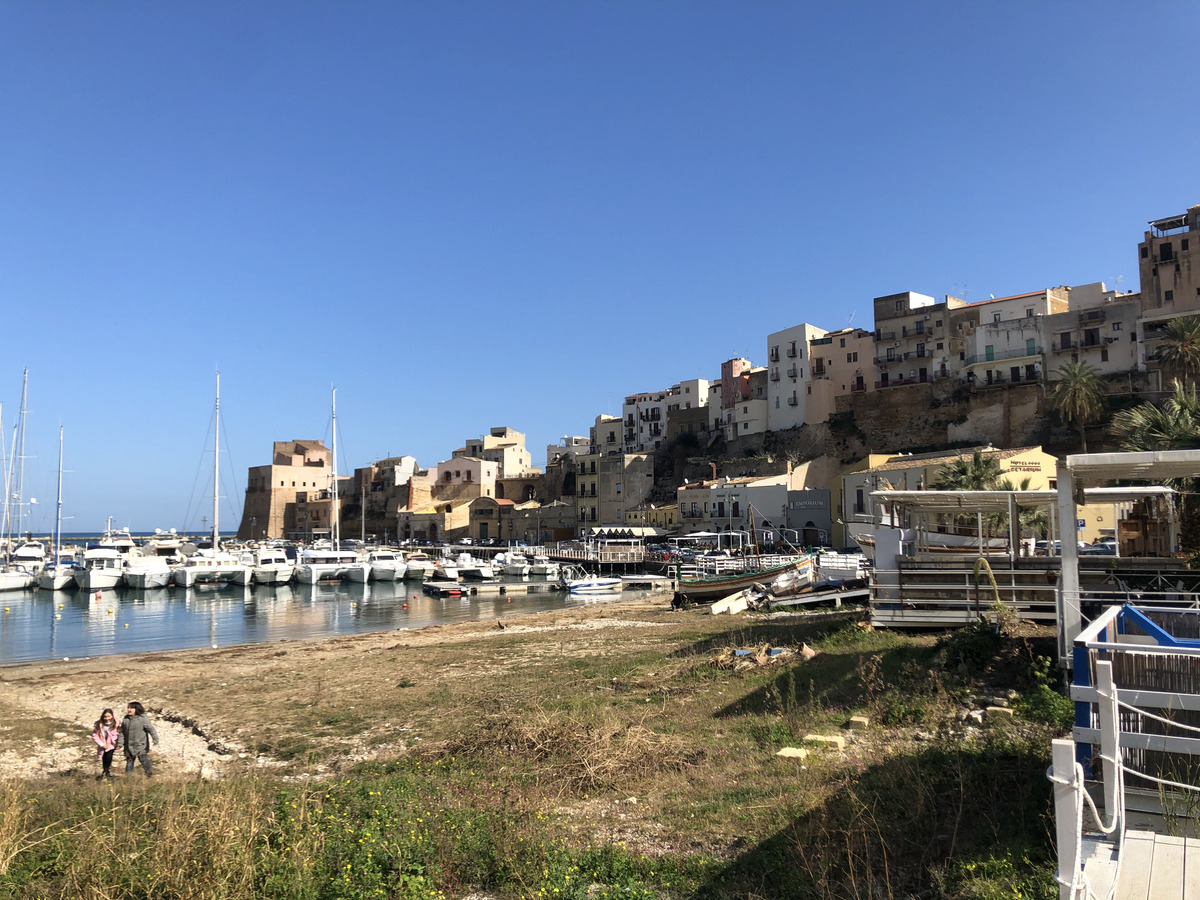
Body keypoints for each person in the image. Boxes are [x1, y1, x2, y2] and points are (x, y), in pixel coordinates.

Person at [121, 701, 159, 777]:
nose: (129, 709)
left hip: (140, 745)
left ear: (137, 709)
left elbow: (151, 729)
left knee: (144, 760)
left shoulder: (143, 719)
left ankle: (149, 775)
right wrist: (120, 743)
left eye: (131, 708)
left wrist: (155, 739)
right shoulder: (126, 719)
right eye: (128, 708)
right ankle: (128, 778)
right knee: (129, 762)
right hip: (129, 746)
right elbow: (122, 732)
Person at [91, 708, 121, 779]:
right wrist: (101, 744)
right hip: (102, 744)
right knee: (103, 757)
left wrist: (119, 743)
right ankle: (105, 771)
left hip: (111, 744)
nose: (107, 718)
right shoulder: (99, 724)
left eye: (109, 716)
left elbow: (120, 733)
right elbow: (95, 735)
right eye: (105, 716)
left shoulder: (116, 724)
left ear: (112, 716)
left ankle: (106, 771)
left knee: (109, 756)